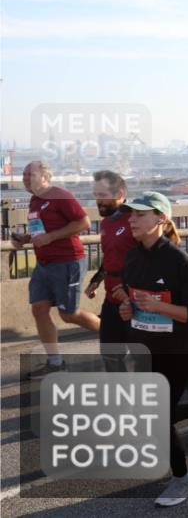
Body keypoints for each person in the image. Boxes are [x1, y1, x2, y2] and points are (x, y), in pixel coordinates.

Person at [116, 191, 188, 507]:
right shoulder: (132, 257)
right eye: (131, 214)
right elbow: (132, 299)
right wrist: (128, 309)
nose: (132, 219)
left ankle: (183, 481)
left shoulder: (181, 264)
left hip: (178, 350)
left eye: (140, 214)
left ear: (161, 219)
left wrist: (159, 306)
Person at [12, 161, 100, 378]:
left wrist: (50, 237)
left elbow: (83, 222)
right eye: (23, 175)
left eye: (29, 174)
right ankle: (55, 362)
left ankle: (118, 336)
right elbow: (40, 231)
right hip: (44, 264)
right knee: (39, 309)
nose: (24, 178)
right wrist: (25, 239)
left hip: (67, 261)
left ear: (44, 176)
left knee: (69, 314)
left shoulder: (60, 195)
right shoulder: (35, 200)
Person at [84, 170, 137, 373]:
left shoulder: (134, 218)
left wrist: (130, 292)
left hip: (134, 301)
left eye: (103, 195)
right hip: (111, 300)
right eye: (96, 195)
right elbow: (110, 257)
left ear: (120, 194)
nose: (99, 201)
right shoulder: (106, 223)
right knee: (111, 356)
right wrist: (96, 280)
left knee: (150, 355)